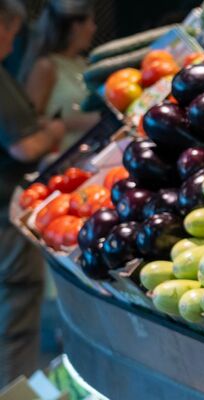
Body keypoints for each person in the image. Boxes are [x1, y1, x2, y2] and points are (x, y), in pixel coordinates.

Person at [0, 0, 67, 386]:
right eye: (11, 31)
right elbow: (24, 147)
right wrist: (54, 131)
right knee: (15, 314)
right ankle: (14, 392)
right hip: (4, 219)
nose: (14, 42)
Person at [26, 0, 99, 153]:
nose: (94, 29)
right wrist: (73, 123)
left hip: (95, 148)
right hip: (68, 157)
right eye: (91, 22)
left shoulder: (82, 63)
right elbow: (30, 123)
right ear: (76, 27)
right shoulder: (46, 67)